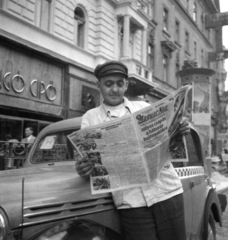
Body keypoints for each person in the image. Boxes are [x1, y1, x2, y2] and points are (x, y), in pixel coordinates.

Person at [76, 60, 190, 240]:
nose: (114, 89)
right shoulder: (90, 118)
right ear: (98, 85)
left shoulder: (144, 108)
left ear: (126, 85)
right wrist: (83, 169)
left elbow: (169, 143)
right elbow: (88, 163)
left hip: (167, 191)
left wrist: (180, 129)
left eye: (119, 84)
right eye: (108, 84)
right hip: (131, 203)